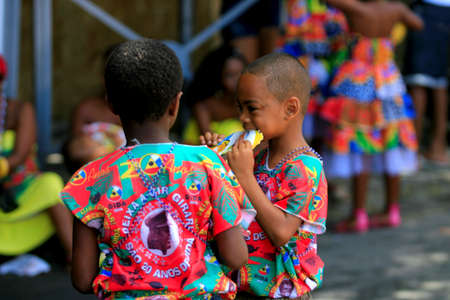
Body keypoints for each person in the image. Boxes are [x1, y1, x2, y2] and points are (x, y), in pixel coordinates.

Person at [60, 39, 249, 299]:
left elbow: (82, 279)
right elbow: (237, 257)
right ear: (175, 104)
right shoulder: (208, 164)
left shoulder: (90, 178)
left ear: (111, 104)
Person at [204, 53, 328, 299]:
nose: (243, 118)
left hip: (281, 292)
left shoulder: (305, 166)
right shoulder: (258, 158)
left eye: (252, 108)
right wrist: (216, 161)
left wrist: (245, 176)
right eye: (240, 108)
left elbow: (282, 232)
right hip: (243, 286)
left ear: (290, 108)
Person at [319, 0, 424, 232]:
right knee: (391, 143)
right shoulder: (396, 9)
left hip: (359, 84)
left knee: (361, 147)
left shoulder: (357, 9)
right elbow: (417, 24)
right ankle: (392, 210)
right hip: (389, 84)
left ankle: (358, 215)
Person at [0, 55, 72, 262]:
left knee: (51, 185)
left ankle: (74, 257)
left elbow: (19, 157)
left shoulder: (20, 110)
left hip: (24, 188)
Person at [63, 45, 124, 174]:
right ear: (103, 77)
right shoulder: (86, 109)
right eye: (110, 73)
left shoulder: (141, 112)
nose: (118, 80)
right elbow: (76, 150)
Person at [403, 0, 450, 165]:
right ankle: (437, 146)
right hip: (444, 12)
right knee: (438, 79)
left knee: (418, 80)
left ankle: (413, 151)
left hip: (428, 11)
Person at [182, 45, 247, 145]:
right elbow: (209, 141)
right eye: (230, 75)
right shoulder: (204, 104)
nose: (237, 80)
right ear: (217, 76)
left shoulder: (246, 100)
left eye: (241, 73)